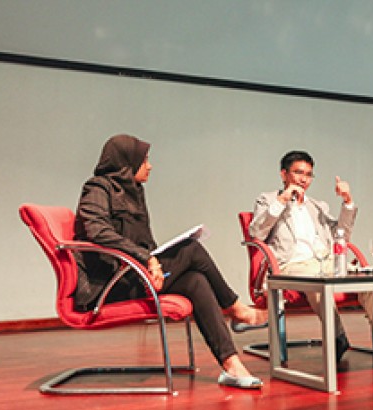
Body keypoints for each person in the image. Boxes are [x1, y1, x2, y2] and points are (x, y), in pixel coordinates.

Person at [74, 134, 268, 389]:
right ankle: (236, 308)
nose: (150, 166)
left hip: (133, 274)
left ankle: (232, 365)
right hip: (108, 286)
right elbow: (98, 232)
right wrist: (148, 260)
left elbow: (144, 243)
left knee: (195, 280)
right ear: (127, 162)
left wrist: (153, 260)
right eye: (144, 160)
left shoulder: (135, 192)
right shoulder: (98, 188)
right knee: (192, 249)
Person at [249, 150, 373, 371]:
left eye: (308, 174)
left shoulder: (318, 206)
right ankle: (337, 338)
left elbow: (340, 236)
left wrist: (347, 202)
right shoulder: (267, 200)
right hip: (291, 265)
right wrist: (282, 200)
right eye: (298, 173)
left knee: (369, 283)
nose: (303, 179)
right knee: (316, 283)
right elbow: (256, 232)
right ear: (284, 174)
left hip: (327, 261)